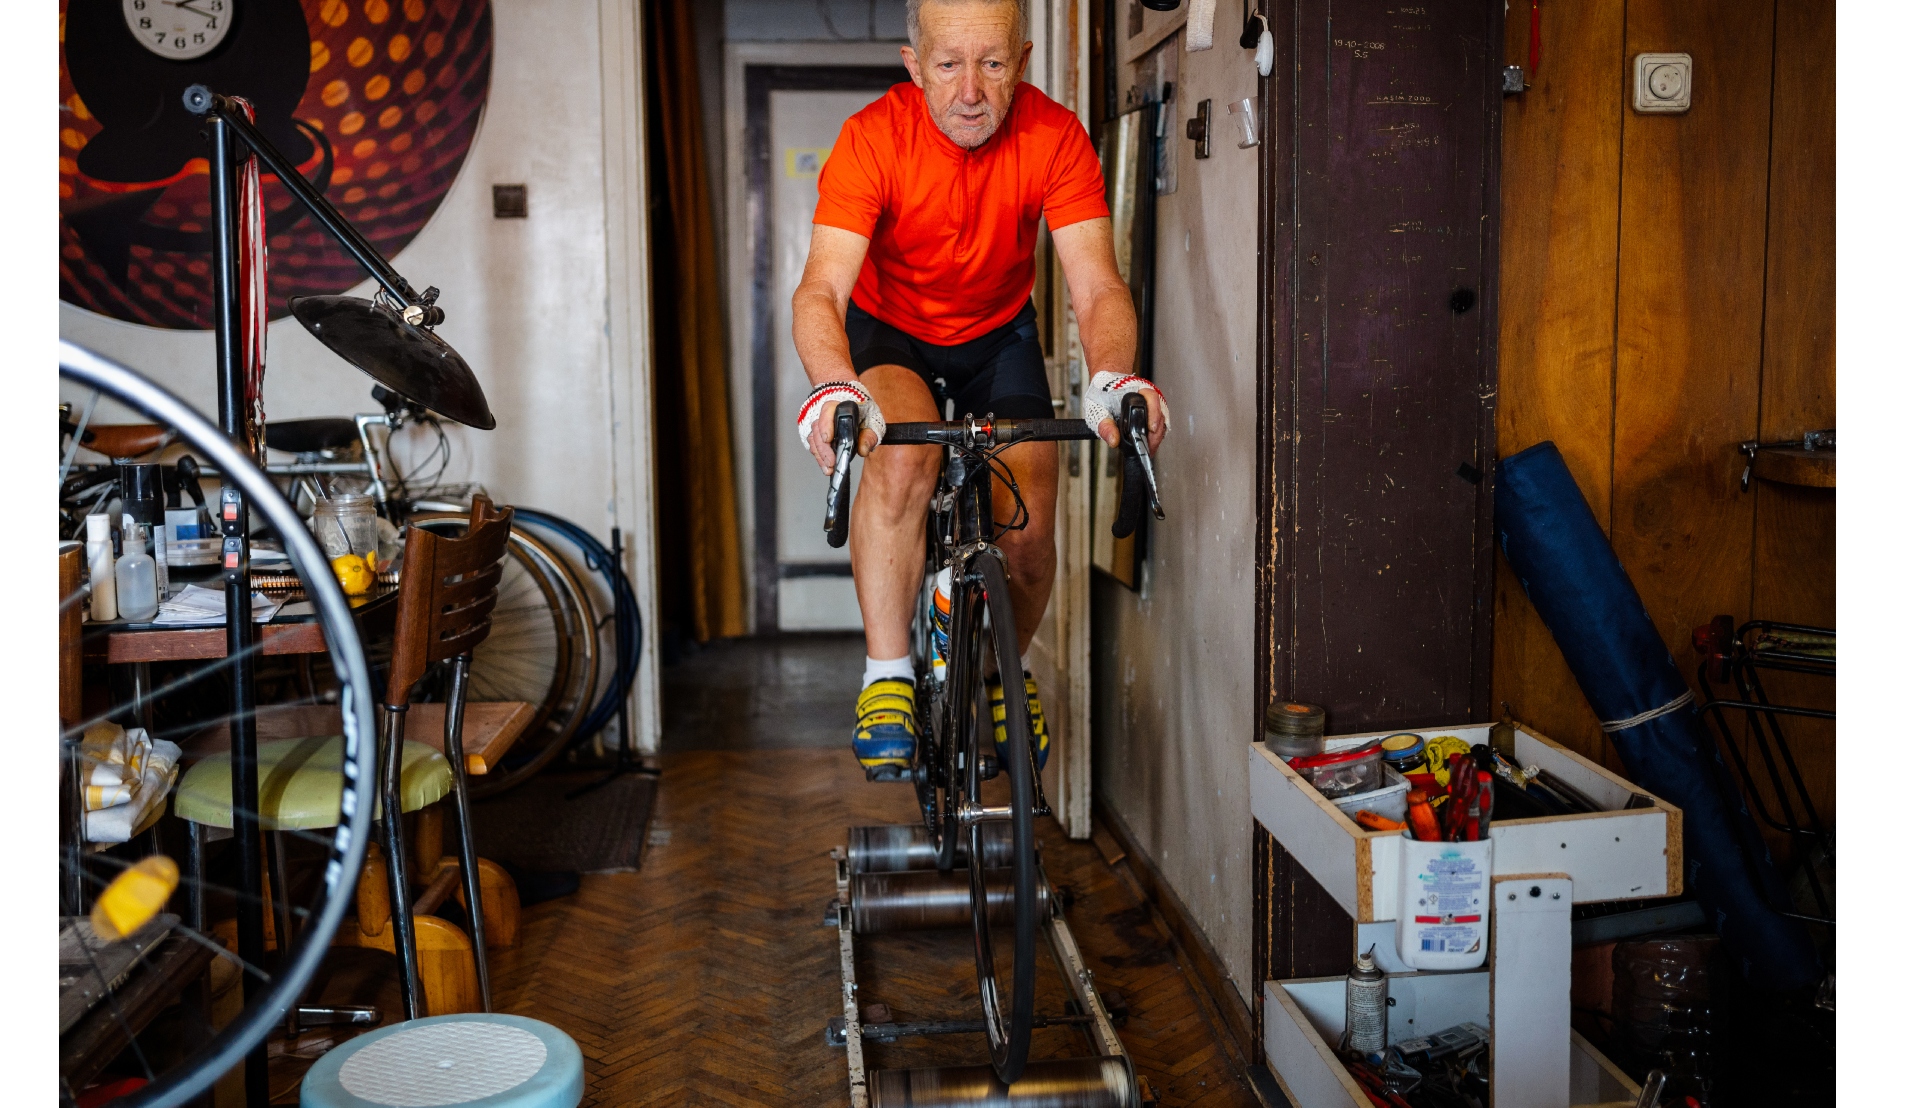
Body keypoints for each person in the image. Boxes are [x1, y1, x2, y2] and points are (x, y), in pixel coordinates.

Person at [791, 0, 1168, 774]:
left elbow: (1097, 286)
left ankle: (1003, 669)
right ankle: (887, 673)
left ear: (1022, 60)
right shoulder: (872, 138)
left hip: (999, 335)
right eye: (949, 64)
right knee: (901, 459)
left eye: (992, 64)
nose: (971, 90)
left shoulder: (1055, 136)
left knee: (1027, 533)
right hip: (890, 330)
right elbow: (822, 292)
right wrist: (833, 388)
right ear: (914, 64)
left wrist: (1114, 375)